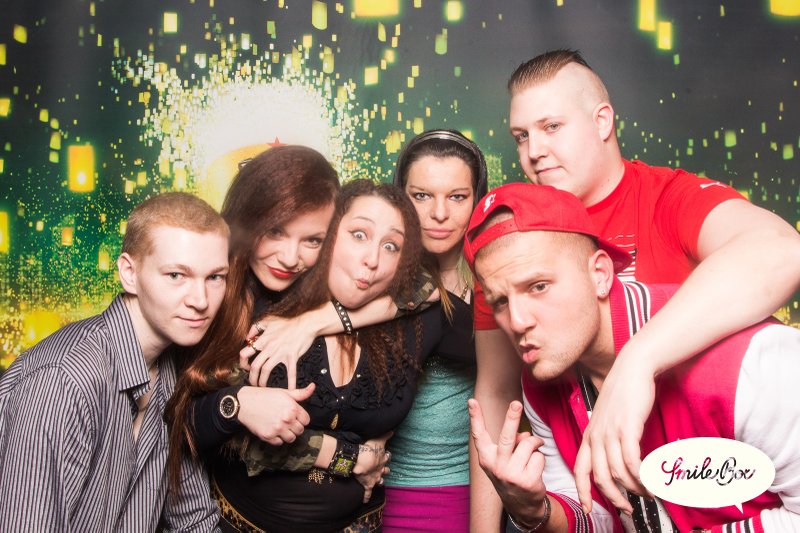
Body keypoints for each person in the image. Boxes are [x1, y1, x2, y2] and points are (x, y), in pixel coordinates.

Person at [470, 49, 800, 528]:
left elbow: (781, 251)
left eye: (551, 127)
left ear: (603, 121)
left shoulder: (668, 198)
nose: (533, 151)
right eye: (521, 136)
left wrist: (636, 362)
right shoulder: (510, 245)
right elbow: (498, 395)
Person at [182, 179, 473, 532]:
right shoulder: (267, 303)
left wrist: (326, 320)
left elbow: (483, 325)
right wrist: (352, 457)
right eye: (359, 235)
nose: (372, 260)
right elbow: (204, 430)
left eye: (391, 246)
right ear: (328, 235)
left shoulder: (416, 322)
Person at [0, 192, 227, 531]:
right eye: (176, 275)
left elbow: (194, 521)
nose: (201, 300)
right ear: (129, 273)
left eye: (215, 277)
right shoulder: (63, 382)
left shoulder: (174, 369)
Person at [380, 129, 486, 531]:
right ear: (399, 198)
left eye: (457, 197)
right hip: (372, 492)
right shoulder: (374, 274)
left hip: (463, 491)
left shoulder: (494, 279)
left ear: (477, 199)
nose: (439, 213)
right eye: (421, 196)